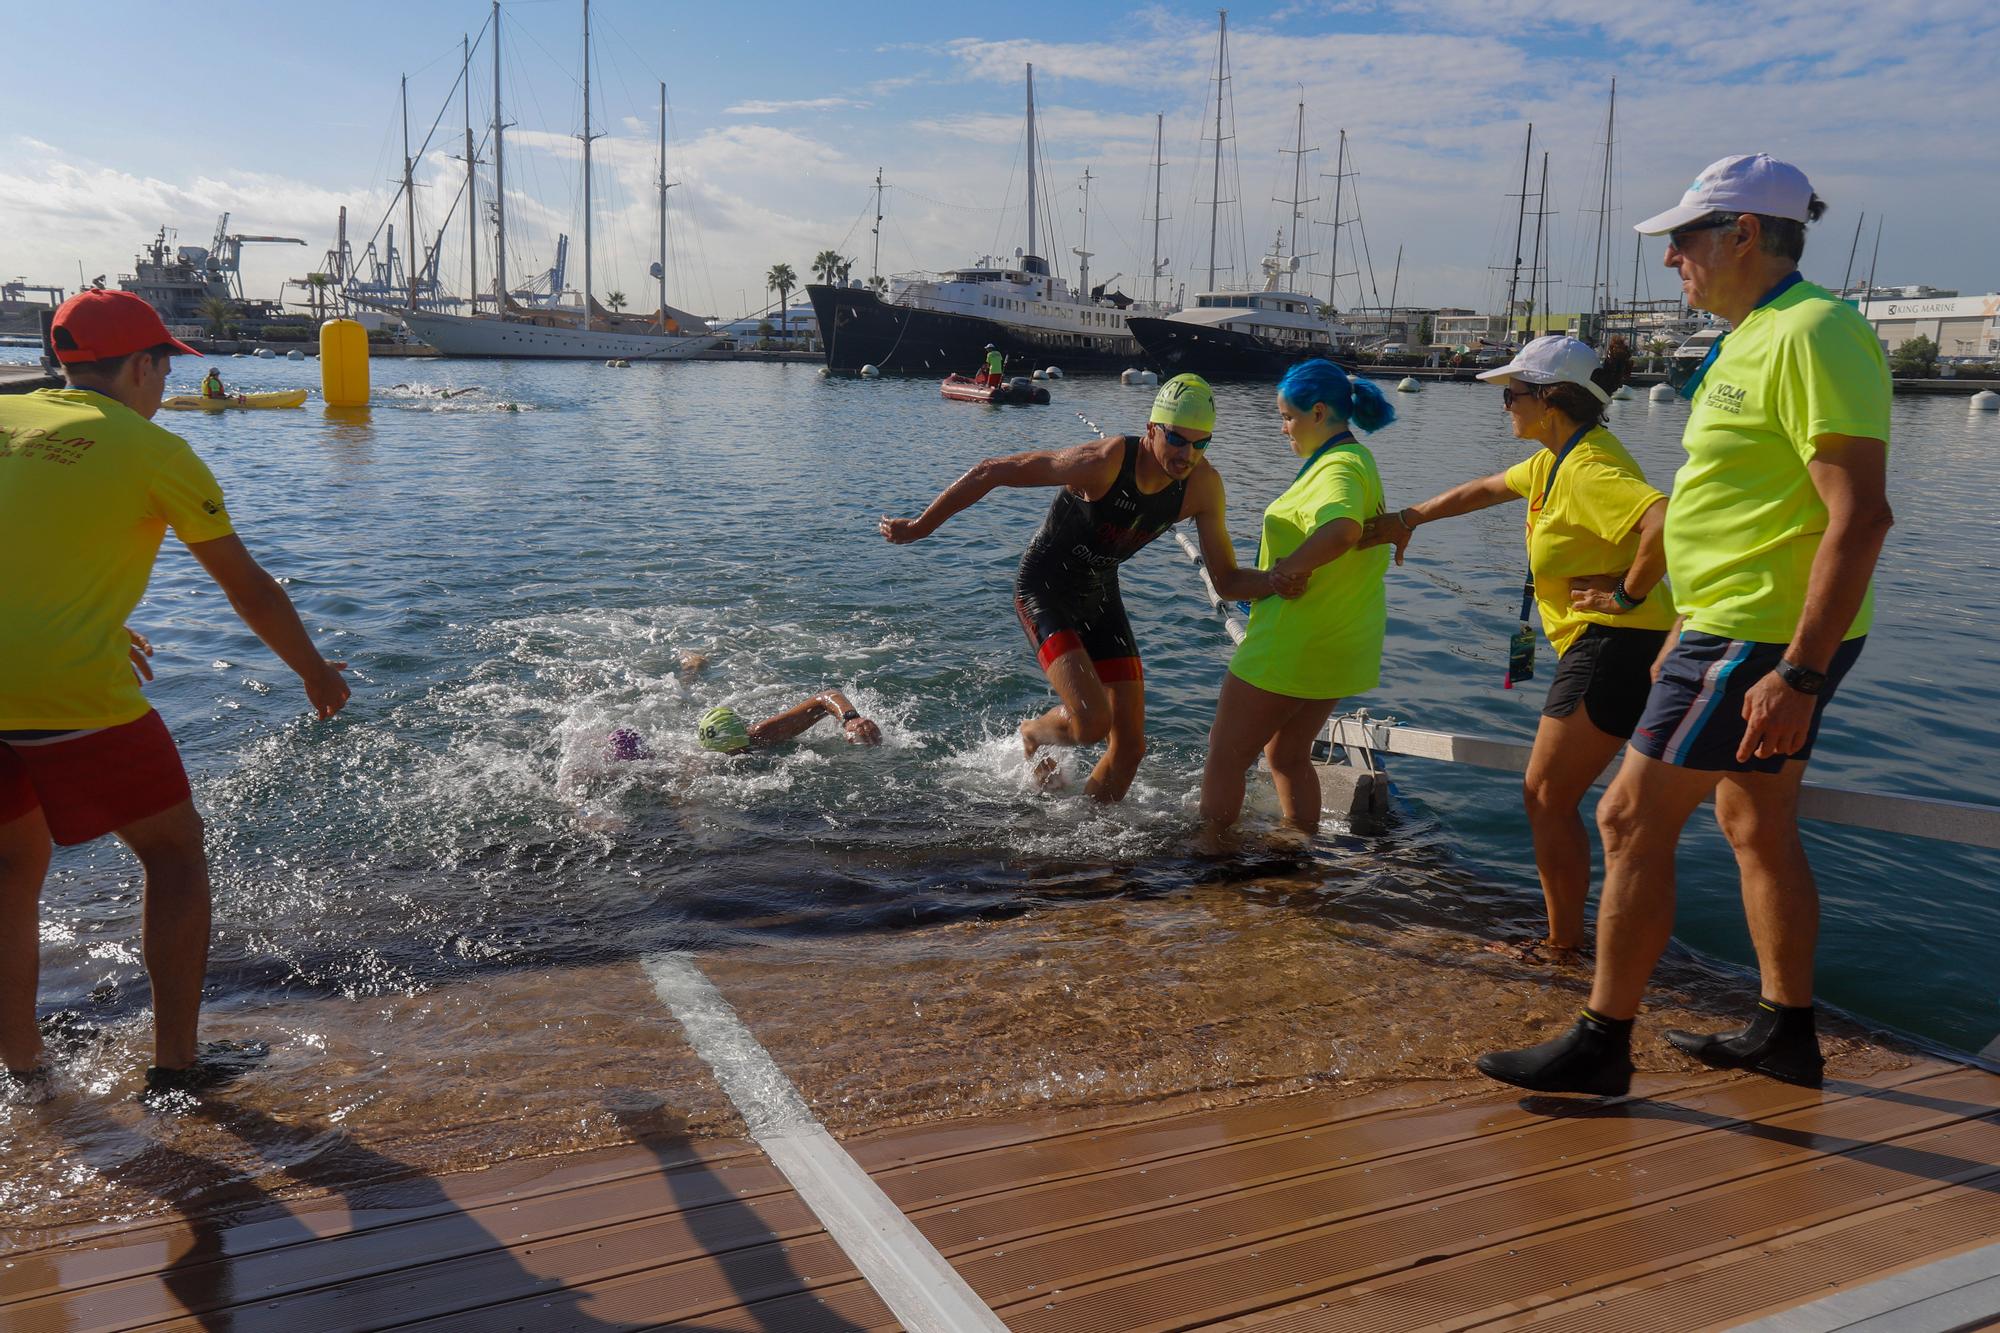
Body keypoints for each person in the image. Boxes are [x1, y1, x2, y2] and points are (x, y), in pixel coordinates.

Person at [1478, 154, 1893, 1096]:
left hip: (1759, 634)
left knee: (1627, 815)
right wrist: (1666, 612)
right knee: (1754, 819)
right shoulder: (1748, 338)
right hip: (1728, 623)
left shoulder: (1815, 332)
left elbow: (1860, 514)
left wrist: (1799, 670)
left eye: (1683, 240)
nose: (1672, 260)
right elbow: (1735, 500)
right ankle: (1786, 1031)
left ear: (1743, 233)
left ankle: (1601, 1042)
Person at [1, 290, 351, 1102]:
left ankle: (22, 1071)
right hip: (66, 689)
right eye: (161, 368)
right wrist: (314, 671)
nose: (162, 386)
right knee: (173, 851)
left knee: (11, 867)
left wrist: (59, 620)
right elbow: (249, 591)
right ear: (141, 366)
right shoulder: (149, 447)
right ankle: (176, 1069)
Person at [1364, 336, 1677, 962]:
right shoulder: (1555, 460)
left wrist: (1624, 594)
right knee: (1584, 803)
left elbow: (1662, 521)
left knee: (1545, 795)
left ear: (1551, 401)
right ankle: (1580, 938)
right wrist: (1406, 520)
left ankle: (1564, 944)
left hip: (1615, 644)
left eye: (1512, 394)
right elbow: (1482, 490)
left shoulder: (1589, 467)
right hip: (1609, 646)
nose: (1504, 405)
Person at [880, 373, 1299, 801]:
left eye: (1200, 443)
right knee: (1091, 721)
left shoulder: (1203, 487)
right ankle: (1033, 732)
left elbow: (1226, 581)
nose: (1186, 454)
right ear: (1152, 429)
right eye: (1175, 439)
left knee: (1131, 748)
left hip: (1099, 592)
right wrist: (918, 528)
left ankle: (1090, 832)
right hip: (1043, 589)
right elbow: (994, 471)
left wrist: (1274, 581)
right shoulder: (1103, 462)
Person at [1198, 360, 1395, 836]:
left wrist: (1287, 570)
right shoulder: (1357, 460)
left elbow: (1343, 527)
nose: (1283, 427)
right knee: (1285, 755)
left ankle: (1209, 860)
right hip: (1342, 641)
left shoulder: (1339, 466)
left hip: (1294, 641)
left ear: (1319, 412)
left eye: (1287, 416)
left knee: (1226, 758)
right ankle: (1298, 853)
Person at [692, 690, 883, 755]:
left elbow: (826, 698)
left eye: (740, 750)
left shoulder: (761, 735)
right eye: (728, 754)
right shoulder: (698, 766)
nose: (738, 755)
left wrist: (851, 718)